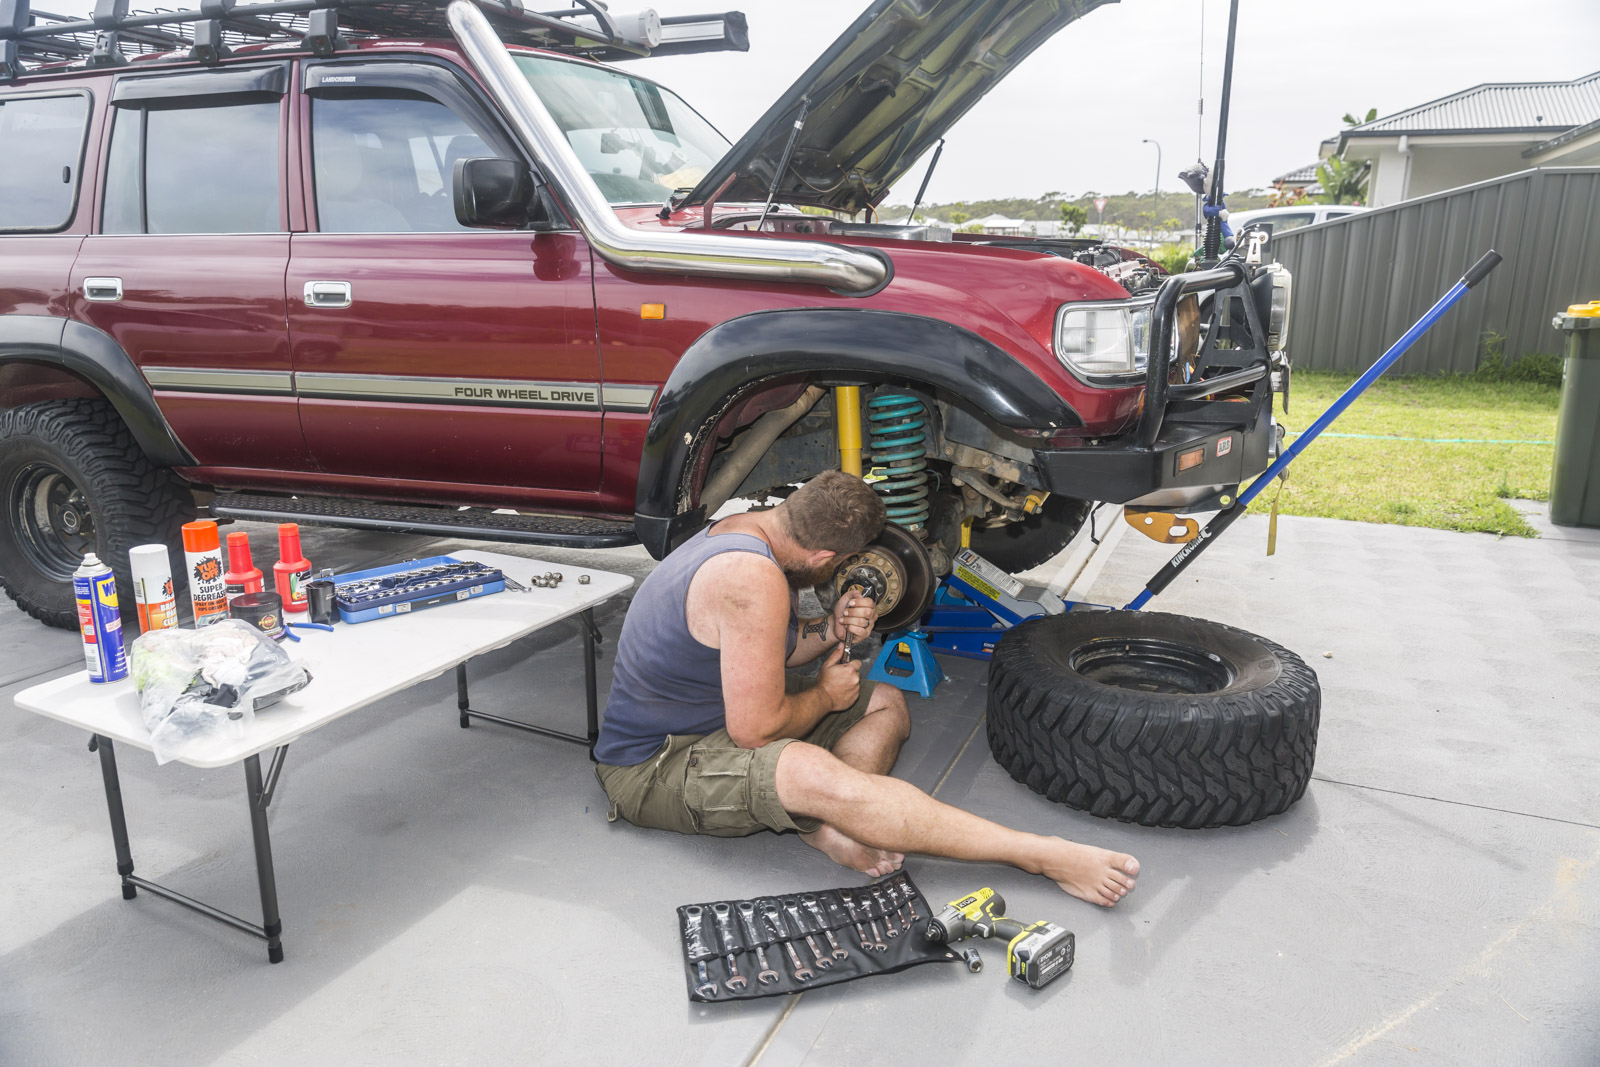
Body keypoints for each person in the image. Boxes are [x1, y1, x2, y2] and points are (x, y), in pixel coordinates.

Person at [593, 471, 1139, 906]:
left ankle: (829, 819)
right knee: (807, 765)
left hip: (714, 719)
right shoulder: (750, 579)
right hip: (654, 767)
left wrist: (829, 630)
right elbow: (755, 730)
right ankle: (1037, 854)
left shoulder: (743, 529)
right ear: (825, 560)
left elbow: (772, 650)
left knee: (882, 698)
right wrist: (825, 698)